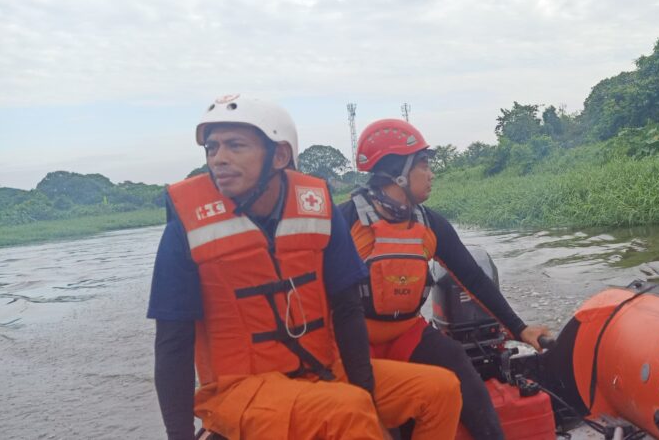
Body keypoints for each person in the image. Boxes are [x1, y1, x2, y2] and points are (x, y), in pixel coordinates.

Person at [148, 95, 462, 440]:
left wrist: (365, 390)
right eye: (211, 148)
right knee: (346, 411)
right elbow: (172, 343)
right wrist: (179, 435)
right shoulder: (186, 228)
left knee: (440, 389)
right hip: (241, 390)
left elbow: (347, 308)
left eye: (235, 146)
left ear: (279, 155)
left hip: (321, 369)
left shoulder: (316, 208)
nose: (218, 159)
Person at [338, 118, 551, 439]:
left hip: (405, 332)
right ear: (398, 173)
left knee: (455, 360)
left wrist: (519, 328)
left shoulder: (430, 224)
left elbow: (474, 280)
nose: (431, 173)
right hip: (353, 342)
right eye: (423, 164)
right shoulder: (345, 221)